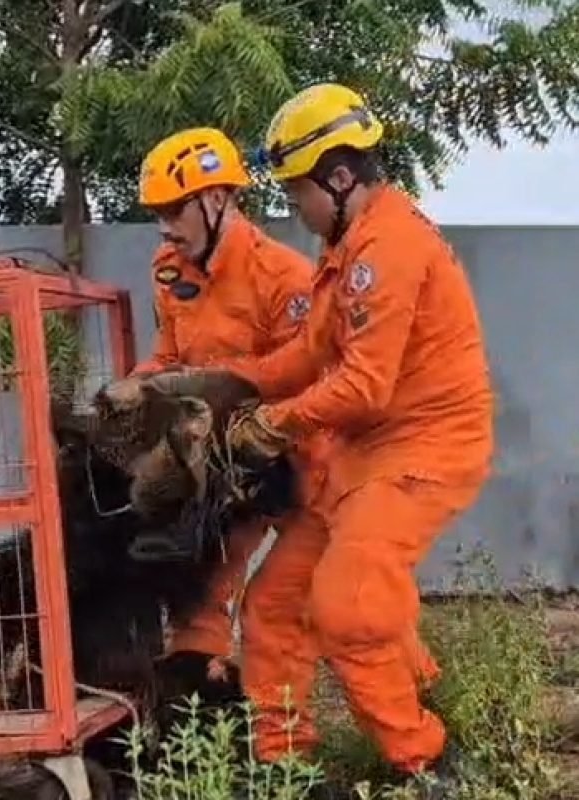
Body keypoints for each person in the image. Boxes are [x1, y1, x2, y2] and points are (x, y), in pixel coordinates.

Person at [223, 83, 493, 789]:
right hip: (362, 457)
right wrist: (223, 383)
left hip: (424, 453)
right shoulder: (348, 249)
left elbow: (363, 385)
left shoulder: (388, 248)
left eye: (297, 193)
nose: (295, 209)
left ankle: (427, 764)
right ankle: (285, 767)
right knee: (274, 608)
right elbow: (308, 355)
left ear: (340, 178)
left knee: (348, 606)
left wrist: (274, 423)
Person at [128, 126, 336, 711]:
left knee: (324, 609)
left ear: (217, 199)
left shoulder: (285, 278)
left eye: (174, 210)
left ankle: (412, 719)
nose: (164, 226)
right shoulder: (170, 269)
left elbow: (306, 382)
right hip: (225, 473)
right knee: (199, 599)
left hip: (303, 468)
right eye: (157, 213)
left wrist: (231, 404)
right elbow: (169, 357)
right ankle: (203, 729)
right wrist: (136, 390)